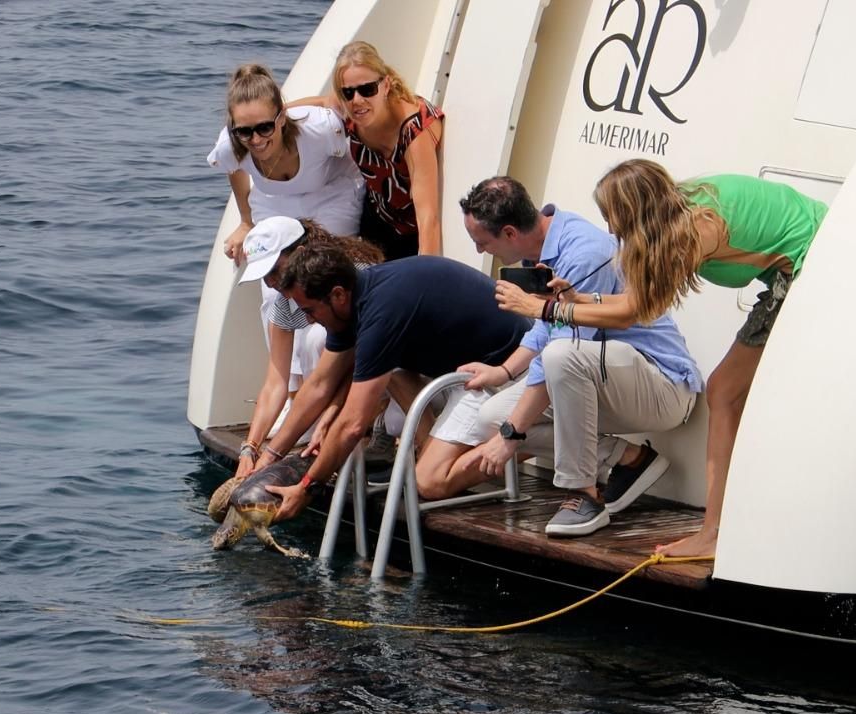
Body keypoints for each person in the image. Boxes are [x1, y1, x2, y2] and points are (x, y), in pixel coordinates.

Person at [498, 159, 826, 557]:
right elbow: (640, 304)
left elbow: (633, 312)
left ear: (634, 212)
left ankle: (714, 533)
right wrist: (580, 299)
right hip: (797, 263)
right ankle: (719, 528)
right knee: (725, 391)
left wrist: (542, 310)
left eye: (612, 217)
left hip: (816, 261)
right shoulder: (681, 208)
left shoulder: (695, 231)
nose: (611, 230)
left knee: (724, 391)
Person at [447, 176, 704, 537]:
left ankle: (582, 493)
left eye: (481, 242)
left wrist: (510, 437)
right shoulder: (545, 248)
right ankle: (629, 459)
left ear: (508, 233)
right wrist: (503, 372)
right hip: (606, 377)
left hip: (662, 386)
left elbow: (563, 350)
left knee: (551, 371)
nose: (479, 252)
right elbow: (547, 330)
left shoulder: (582, 252)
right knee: (492, 418)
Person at [254, 245, 529, 523]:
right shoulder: (355, 298)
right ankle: (434, 450)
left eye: (310, 310)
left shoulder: (381, 311)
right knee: (392, 368)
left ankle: (526, 442)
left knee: (430, 482)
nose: (308, 319)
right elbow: (318, 386)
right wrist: (268, 457)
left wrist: (307, 487)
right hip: (460, 369)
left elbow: (352, 425)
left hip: (504, 369)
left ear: (337, 295)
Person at [232, 216, 384, 478]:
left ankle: (362, 429)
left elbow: (366, 353)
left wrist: (334, 415)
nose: (270, 283)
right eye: (264, 276)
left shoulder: (353, 275)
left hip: (381, 377)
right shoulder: (284, 302)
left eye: (274, 271)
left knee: (317, 338)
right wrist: (250, 448)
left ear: (299, 254)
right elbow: (275, 382)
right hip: (345, 389)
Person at [295, 42, 445, 260]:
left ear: (386, 85)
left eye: (367, 89)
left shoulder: (413, 131)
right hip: (376, 216)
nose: (357, 100)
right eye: (347, 92)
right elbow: (319, 103)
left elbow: (428, 218)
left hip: (411, 232)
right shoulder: (349, 107)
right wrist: (272, 118)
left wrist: (424, 275)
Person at [208, 64, 364, 265]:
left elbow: (335, 103)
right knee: (275, 283)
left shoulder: (320, 129)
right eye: (245, 131)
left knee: (328, 265)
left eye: (265, 127)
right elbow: (234, 167)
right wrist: (246, 222)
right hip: (275, 202)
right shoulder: (230, 146)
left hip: (332, 193)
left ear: (281, 118)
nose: (256, 140)